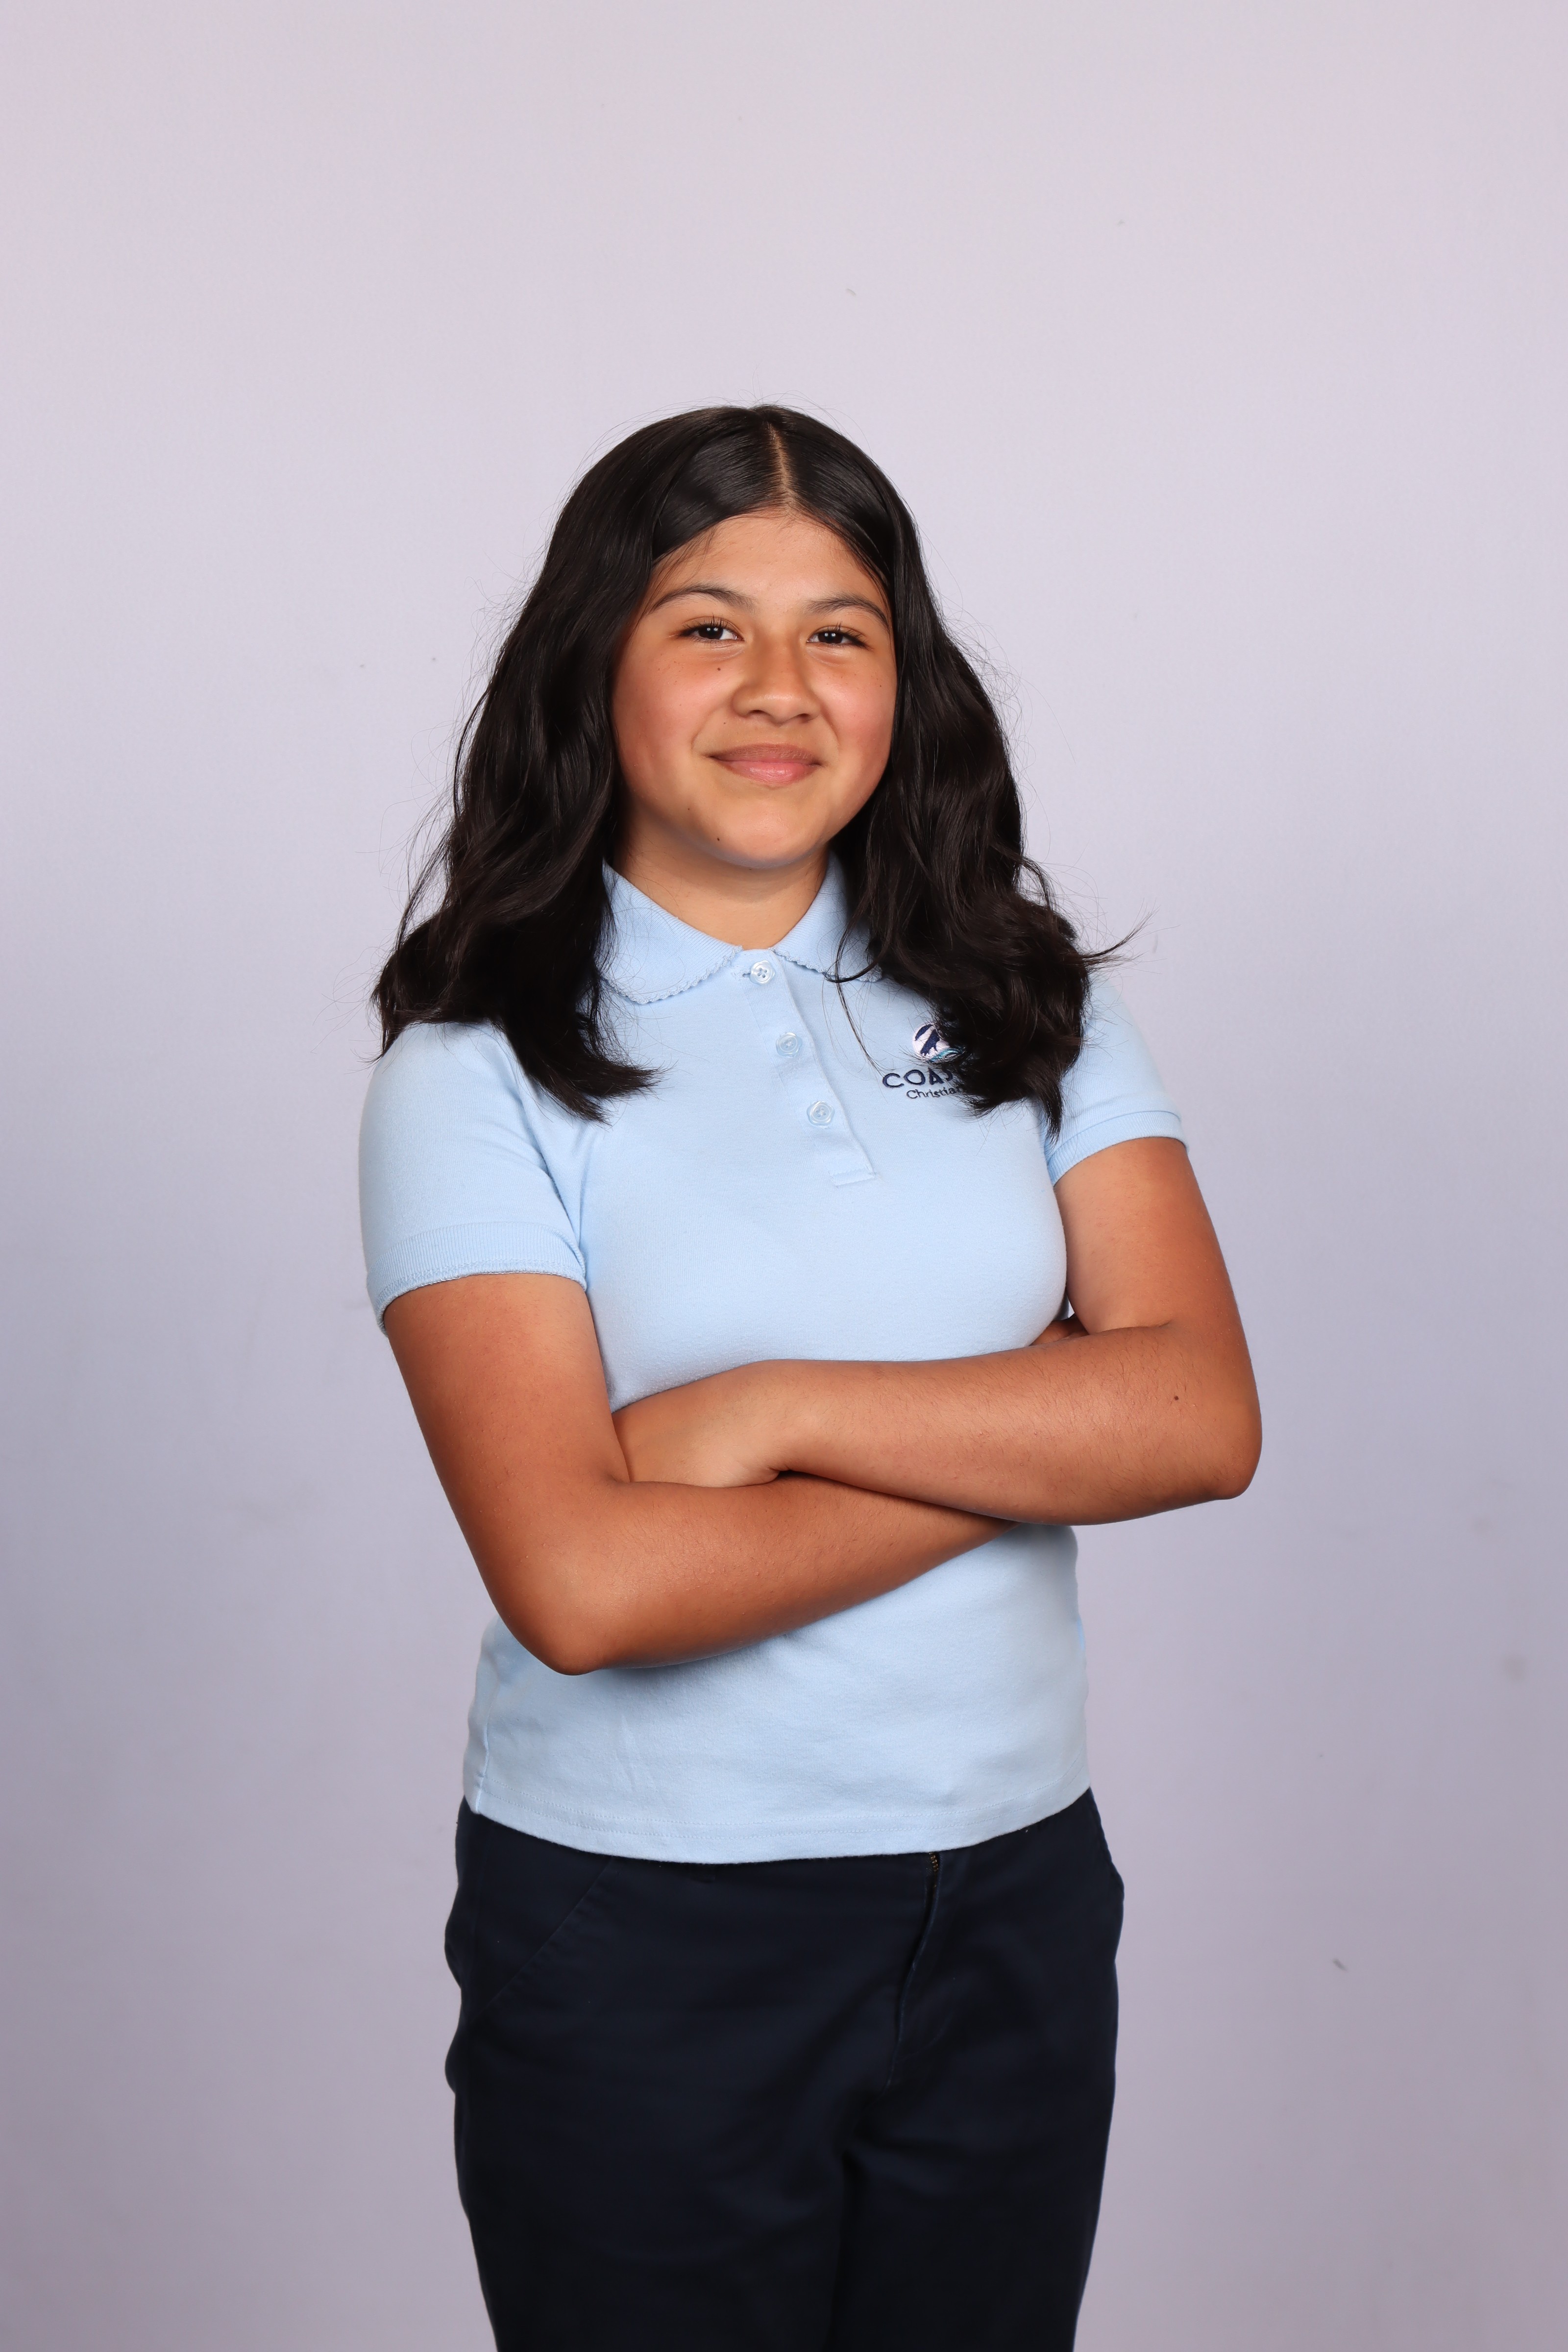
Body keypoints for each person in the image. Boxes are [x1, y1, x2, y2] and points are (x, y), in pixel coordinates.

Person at [359, 404, 1260, 2352]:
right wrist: (1036, 1431)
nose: (779, 687)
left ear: (900, 682)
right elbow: (583, 1585)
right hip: (651, 1932)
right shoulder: (472, 1068)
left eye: (838, 633)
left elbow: (1198, 1421)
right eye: (708, 626)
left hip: (1014, 1895)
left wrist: (766, 1412)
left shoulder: (1030, 1002)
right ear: (592, 664)